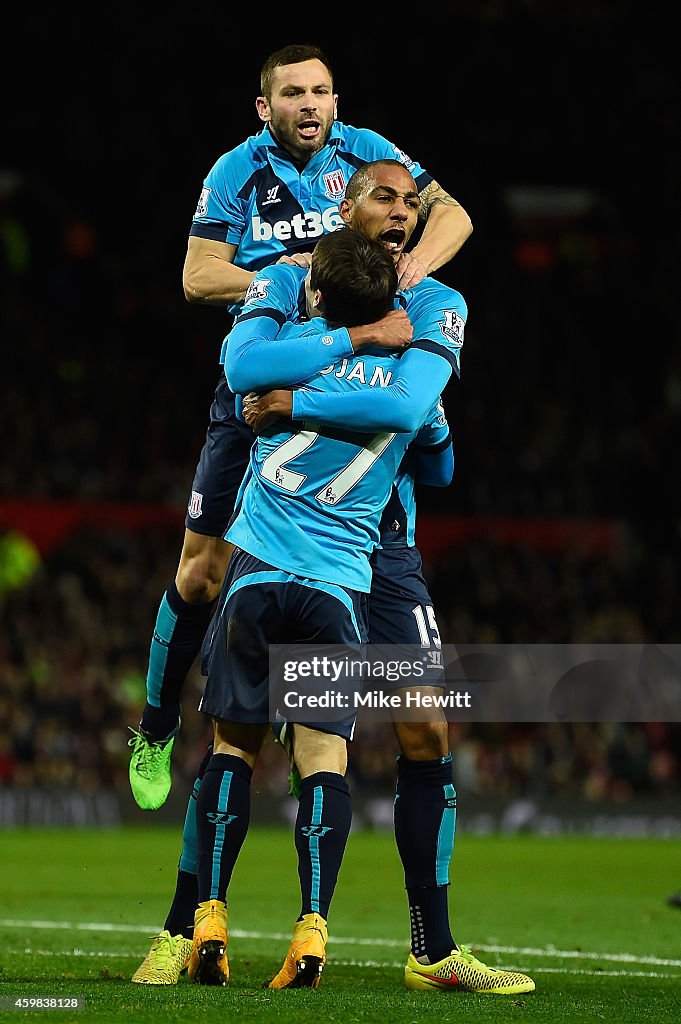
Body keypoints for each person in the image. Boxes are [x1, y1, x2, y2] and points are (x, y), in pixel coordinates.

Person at [132, 161, 535, 996]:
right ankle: (181, 925)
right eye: (381, 198)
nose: (400, 212)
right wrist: (339, 356)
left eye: (410, 203)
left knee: (423, 726)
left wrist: (295, 400)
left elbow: (402, 414)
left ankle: (431, 949)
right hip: (284, 524)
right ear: (341, 209)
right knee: (235, 726)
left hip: (378, 548)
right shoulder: (285, 276)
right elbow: (242, 371)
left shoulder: (437, 303)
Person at [127, 41, 472, 811]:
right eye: (292, 94)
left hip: (347, 383)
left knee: (338, 554)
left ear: (336, 101)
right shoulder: (236, 171)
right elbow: (196, 275)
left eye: (320, 91)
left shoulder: (368, 155)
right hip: (268, 370)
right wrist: (299, 282)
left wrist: (403, 275)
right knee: (200, 574)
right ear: (265, 107)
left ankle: (300, 705)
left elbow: (453, 215)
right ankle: (153, 724)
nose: (309, 105)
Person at [187, 225, 449, 987]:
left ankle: (211, 915)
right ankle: (311, 931)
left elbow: (244, 370)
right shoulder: (408, 380)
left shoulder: (292, 355)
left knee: (232, 749)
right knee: (322, 759)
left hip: (259, 573)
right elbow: (440, 459)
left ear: (322, 293)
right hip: (338, 589)